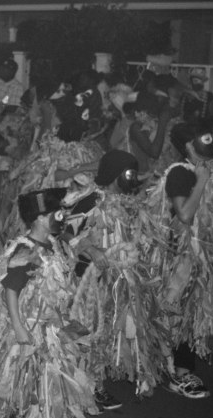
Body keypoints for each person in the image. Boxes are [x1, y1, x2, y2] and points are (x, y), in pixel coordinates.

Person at [145, 120, 213, 399]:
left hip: (199, 255)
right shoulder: (180, 173)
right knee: (173, 309)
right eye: (204, 138)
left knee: (190, 311)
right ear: (189, 144)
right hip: (177, 255)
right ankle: (175, 372)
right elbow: (185, 216)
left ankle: (178, 369)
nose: (210, 141)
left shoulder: (209, 169)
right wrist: (201, 180)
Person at [0, 187, 98, 418]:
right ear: (38, 218)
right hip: (27, 323)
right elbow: (10, 291)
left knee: (48, 370)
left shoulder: (53, 245)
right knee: (21, 371)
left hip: (51, 325)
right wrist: (18, 326)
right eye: (56, 213)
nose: (61, 216)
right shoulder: (26, 251)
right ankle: (11, 417)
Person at [67, 150, 167, 400]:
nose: (132, 178)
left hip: (119, 281)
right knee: (89, 329)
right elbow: (64, 231)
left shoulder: (130, 201)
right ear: (115, 174)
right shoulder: (90, 200)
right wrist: (90, 249)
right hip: (90, 278)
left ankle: (97, 383)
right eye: (129, 173)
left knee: (106, 332)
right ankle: (84, 387)